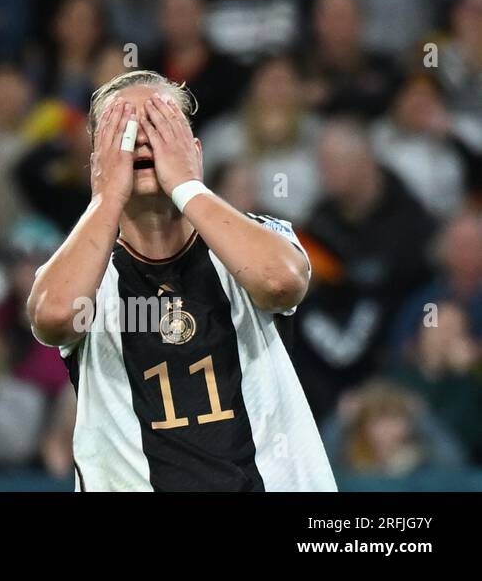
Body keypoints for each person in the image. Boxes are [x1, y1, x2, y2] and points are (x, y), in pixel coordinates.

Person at [27, 69, 335, 490]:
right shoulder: (87, 270)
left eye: (158, 124)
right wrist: (106, 197)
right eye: (123, 129)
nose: (140, 139)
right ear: (97, 163)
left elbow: (281, 282)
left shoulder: (256, 237)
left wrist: (187, 184)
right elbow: (53, 316)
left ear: (194, 151)